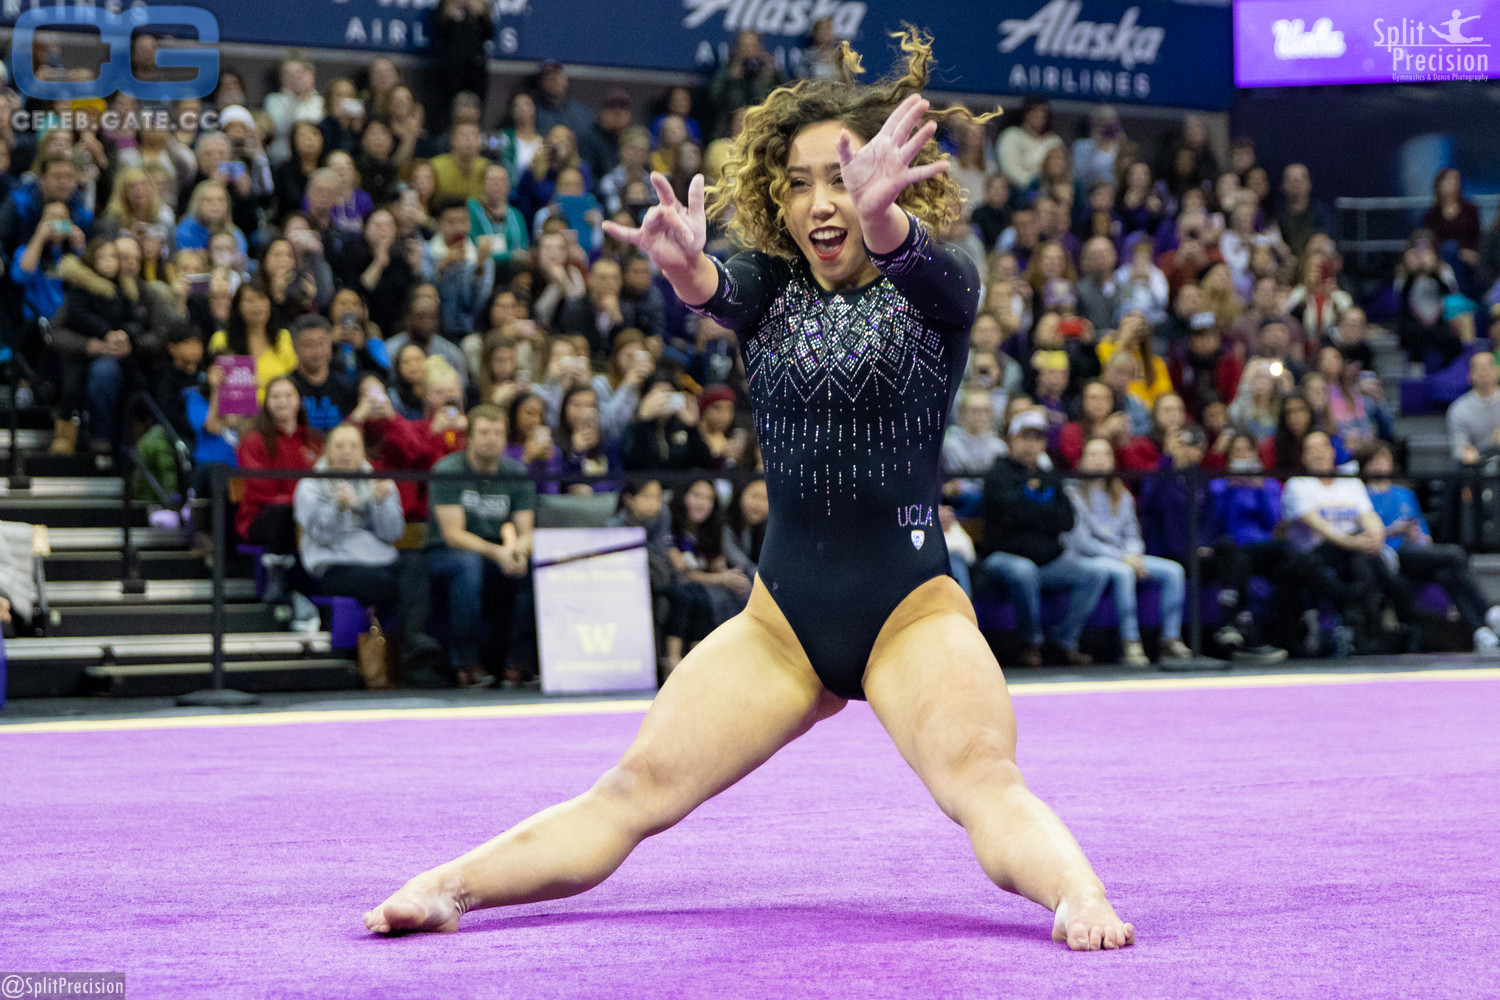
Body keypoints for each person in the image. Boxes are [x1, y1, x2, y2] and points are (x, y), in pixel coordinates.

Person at [366, 37, 1134, 950]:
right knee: (635, 788)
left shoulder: (941, 288)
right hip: (780, 626)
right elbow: (715, 287)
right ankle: (455, 885)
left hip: (912, 614)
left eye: (844, 178)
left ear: (888, 183)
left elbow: (921, 266)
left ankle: (1077, 892)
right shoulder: (768, 289)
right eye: (802, 182)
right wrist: (687, 269)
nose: (822, 202)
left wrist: (884, 221)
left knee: (982, 781)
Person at [294, 423, 435, 674]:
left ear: (363, 452)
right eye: (339, 446)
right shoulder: (310, 485)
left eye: (353, 446)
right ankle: (409, 649)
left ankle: (414, 639)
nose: (346, 452)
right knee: (394, 585)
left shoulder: (378, 482)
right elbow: (322, 536)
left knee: (416, 565)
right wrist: (338, 508)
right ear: (327, 451)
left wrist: (382, 503)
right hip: (334, 564)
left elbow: (392, 533)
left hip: (379, 557)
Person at [981, 410, 1110, 668]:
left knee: (1095, 573)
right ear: (1012, 439)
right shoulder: (998, 474)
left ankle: (1064, 641)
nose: (1031, 444)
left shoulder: (1049, 475)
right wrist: (1040, 514)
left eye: (1037, 438)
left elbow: (1067, 519)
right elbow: (1011, 512)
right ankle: (1032, 644)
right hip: (1004, 556)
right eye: (1025, 437)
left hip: (1049, 559)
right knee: (1023, 572)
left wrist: (1029, 513)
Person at [424, 405, 536, 689]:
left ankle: (518, 663)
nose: (492, 439)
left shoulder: (516, 473)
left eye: (498, 432)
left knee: (532, 567)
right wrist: (498, 552)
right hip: (446, 553)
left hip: (497, 552)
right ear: (469, 438)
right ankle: (466, 663)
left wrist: (518, 552)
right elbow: (453, 534)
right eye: (484, 432)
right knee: (468, 565)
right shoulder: (448, 470)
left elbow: (527, 531)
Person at [1281, 432, 1414, 653]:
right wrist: (1357, 543)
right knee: (1363, 560)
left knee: (1367, 563)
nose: (1317, 453)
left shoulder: (1348, 482)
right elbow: (1320, 526)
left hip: (1353, 549)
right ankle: (1383, 622)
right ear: (1303, 457)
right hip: (1314, 553)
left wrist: (1375, 536)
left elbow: (1369, 515)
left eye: (1321, 447)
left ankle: (1372, 631)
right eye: (1310, 449)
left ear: (1332, 452)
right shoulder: (1298, 484)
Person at [1362, 442, 1500, 652]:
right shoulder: (1363, 496)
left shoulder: (1404, 494)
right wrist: (1394, 530)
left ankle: (1480, 632)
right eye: (1375, 460)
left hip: (1416, 552)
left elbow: (1424, 533)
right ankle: (1489, 612)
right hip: (1390, 555)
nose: (1381, 464)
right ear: (1366, 466)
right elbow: (1371, 535)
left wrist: (1417, 535)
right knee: (1455, 554)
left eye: (1384, 459)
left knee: (1447, 574)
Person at [1065, 438, 1189, 667]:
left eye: (1105, 454)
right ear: (1081, 461)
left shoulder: (1122, 494)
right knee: (1123, 572)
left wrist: (1133, 554)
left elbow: (1132, 533)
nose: (1099, 460)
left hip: (1125, 556)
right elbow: (1082, 542)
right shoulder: (1072, 494)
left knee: (1174, 571)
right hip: (1089, 557)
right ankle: (1130, 641)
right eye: (1093, 455)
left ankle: (1170, 639)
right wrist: (1125, 559)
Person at [236, 377, 322, 608]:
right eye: (275, 396)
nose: (282, 401)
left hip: (306, 516)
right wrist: (298, 502)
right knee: (281, 511)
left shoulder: (315, 441)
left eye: (288, 395)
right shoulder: (253, 441)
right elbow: (259, 489)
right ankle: (277, 578)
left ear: (298, 401)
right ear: (267, 403)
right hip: (261, 518)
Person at [288, 315, 358, 432]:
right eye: (308, 345)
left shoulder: (346, 384)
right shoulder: (288, 387)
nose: (316, 351)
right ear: (295, 348)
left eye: (321, 343)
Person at [1447, 351, 1500, 465]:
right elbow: (1459, 448)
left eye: (1488, 366)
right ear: (1471, 375)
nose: (1484, 372)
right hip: (1477, 469)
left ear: (1497, 371)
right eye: (1479, 368)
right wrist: (1466, 454)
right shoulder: (1459, 409)